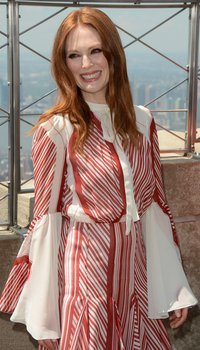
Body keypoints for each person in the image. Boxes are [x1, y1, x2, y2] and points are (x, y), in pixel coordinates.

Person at [0, 7, 197, 350]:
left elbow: (152, 209)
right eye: (73, 55)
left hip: (137, 280)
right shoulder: (56, 130)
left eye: (95, 51)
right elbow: (46, 222)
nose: (86, 65)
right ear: (64, 66)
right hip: (85, 285)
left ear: (113, 54)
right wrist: (46, 319)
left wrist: (173, 289)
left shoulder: (142, 122)